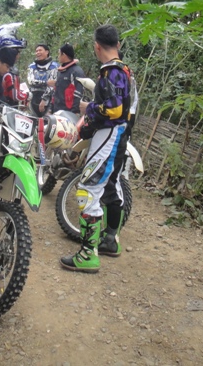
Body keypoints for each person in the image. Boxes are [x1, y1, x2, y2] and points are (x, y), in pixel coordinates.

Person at [60, 25, 134, 273]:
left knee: (88, 189)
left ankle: (87, 254)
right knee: (111, 185)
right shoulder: (124, 70)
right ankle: (111, 240)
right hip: (118, 133)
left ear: (97, 46)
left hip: (109, 134)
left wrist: (88, 108)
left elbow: (114, 109)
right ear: (118, 45)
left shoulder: (112, 72)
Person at [40, 43, 85, 115]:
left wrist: (75, 112)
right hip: (57, 111)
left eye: (59, 54)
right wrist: (51, 109)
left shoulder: (76, 72)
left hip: (69, 113)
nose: (58, 56)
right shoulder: (60, 71)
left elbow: (78, 93)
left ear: (63, 55)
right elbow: (55, 92)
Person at [27, 43, 58, 116]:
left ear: (47, 52)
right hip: (33, 98)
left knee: (48, 120)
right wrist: (46, 83)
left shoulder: (54, 66)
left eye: (40, 50)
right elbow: (30, 81)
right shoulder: (32, 66)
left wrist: (44, 100)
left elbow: (52, 85)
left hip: (49, 99)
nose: (38, 52)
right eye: (36, 51)